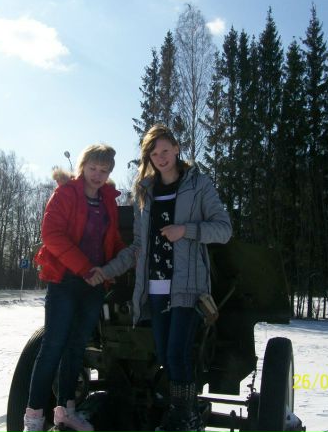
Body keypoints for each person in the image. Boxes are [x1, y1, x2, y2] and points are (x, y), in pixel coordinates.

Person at [97, 124, 232, 432]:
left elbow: (224, 230)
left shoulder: (198, 184)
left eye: (165, 150)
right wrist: (106, 270)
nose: (161, 157)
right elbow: (138, 247)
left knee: (177, 353)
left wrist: (186, 230)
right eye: (154, 153)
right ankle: (183, 411)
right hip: (156, 287)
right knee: (164, 353)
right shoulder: (145, 191)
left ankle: (184, 418)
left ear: (177, 149)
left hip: (188, 285)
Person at [23, 144, 126, 432]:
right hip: (65, 282)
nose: (97, 174)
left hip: (94, 285)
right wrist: (85, 268)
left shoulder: (108, 200)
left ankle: (67, 410)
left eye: (104, 170)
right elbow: (51, 234)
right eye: (93, 168)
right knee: (52, 346)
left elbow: (113, 240)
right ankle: (33, 418)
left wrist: (124, 258)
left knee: (76, 347)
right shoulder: (66, 193)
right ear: (83, 166)